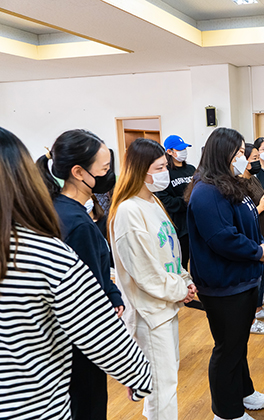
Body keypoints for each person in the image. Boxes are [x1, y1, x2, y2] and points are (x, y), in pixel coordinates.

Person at [0, 127, 152, 419]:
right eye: (104, 169)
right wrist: (139, 375)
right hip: (34, 402)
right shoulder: (40, 250)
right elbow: (94, 322)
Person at [36, 129, 125, 420]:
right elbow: (87, 299)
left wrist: (112, 292)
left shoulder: (58, 209)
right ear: (78, 172)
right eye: (104, 169)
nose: (109, 175)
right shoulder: (77, 224)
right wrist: (124, 364)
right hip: (81, 345)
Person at [186, 128, 264, 420]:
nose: (244, 158)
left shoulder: (230, 183)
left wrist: (258, 246)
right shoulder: (207, 191)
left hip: (242, 278)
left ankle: (243, 391)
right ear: (223, 153)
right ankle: (226, 412)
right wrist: (257, 252)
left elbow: (246, 223)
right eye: (239, 153)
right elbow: (222, 238)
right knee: (227, 348)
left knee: (238, 344)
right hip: (224, 284)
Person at [108, 138, 196, 420]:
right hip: (149, 312)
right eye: (159, 168)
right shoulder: (128, 211)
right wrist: (180, 289)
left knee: (164, 380)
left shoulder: (153, 201)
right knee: (162, 388)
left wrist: (185, 279)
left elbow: (170, 250)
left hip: (166, 306)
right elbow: (145, 273)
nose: (165, 173)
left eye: (165, 167)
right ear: (140, 171)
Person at [240, 143, 264, 335]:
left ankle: (259, 308)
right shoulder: (239, 184)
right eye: (254, 159)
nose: (257, 162)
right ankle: (251, 318)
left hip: (261, 232)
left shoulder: (253, 179)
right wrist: (261, 207)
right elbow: (243, 215)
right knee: (255, 276)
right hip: (250, 236)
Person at [156, 135, 195, 270]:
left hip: (194, 221)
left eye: (184, 148)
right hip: (179, 226)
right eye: (180, 149)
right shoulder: (166, 173)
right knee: (181, 261)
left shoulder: (191, 169)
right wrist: (187, 201)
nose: (183, 151)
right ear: (169, 152)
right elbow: (165, 200)